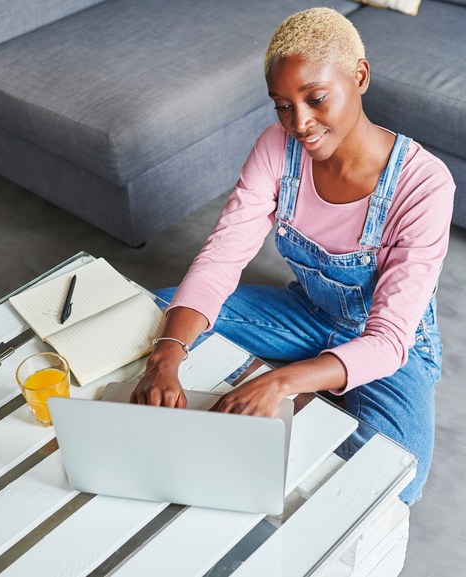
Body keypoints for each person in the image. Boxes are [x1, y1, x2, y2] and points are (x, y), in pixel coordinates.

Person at [130, 7, 455, 505]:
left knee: (397, 475)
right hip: (307, 315)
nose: (299, 123)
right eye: (282, 105)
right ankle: (308, 389)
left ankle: (304, 390)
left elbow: (389, 341)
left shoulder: (424, 184)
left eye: (316, 99)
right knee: (158, 314)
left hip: (393, 344)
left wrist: (280, 385)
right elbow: (222, 257)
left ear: (360, 76)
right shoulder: (276, 149)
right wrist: (168, 357)